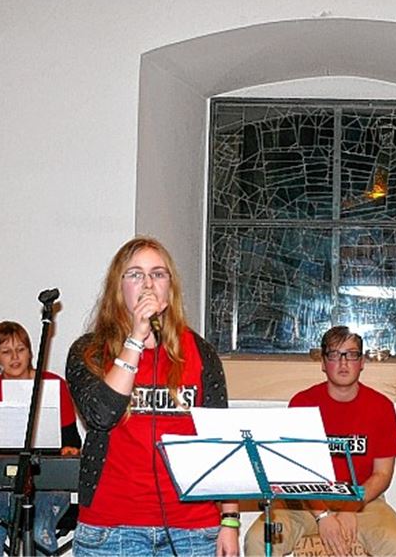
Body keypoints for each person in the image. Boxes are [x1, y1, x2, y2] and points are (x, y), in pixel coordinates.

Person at [66, 236, 239, 556]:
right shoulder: (89, 351)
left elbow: (221, 441)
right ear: (118, 287)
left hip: (192, 530)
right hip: (111, 530)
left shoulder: (201, 353)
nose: (148, 284)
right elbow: (101, 415)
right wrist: (135, 338)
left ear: (169, 288)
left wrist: (230, 519)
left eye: (158, 274)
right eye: (135, 274)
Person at [242, 326, 396, 556]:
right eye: (334, 355)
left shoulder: (381, 406)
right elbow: (295, 472)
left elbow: (382, 474)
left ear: (362, 362)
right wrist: (322, 515)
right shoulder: (302, 403)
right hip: (303, 502)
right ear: (323, 363)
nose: (343, 363)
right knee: (258, 539)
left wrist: (351, 507)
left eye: (351, 355)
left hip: (363, 501)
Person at [0, 321, 81, 556]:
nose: (15, 357)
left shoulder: (54, 385)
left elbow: (72, 441)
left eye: (21, 349)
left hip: (47, 482)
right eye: (6, 351)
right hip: (0, 482)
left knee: (40, 529)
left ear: (30, 353)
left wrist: (69, 451)